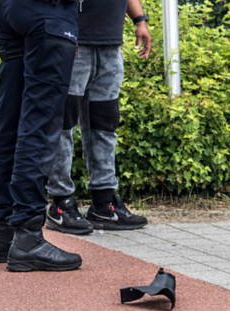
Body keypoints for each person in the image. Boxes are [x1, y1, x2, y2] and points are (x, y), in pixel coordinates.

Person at [0, 0, 84, 272]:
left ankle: (3, 233)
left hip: (10, 8)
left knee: (11, 121)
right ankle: (28, 237)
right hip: (48, 10)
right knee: (40, 122)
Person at [44, 0, 153, 233]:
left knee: (104, 124)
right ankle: (60, 204)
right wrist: (61, 34)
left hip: (110, 43)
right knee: (63, 125)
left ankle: (103, 203)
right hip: (73, 44)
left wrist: (140, 20)